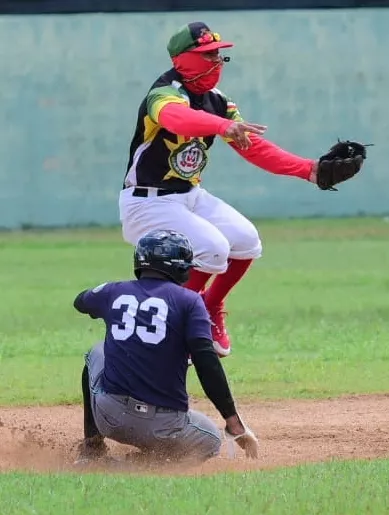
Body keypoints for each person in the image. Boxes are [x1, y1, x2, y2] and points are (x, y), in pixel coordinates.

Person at [118, 21, 362, 358]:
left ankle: (209, 306)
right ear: (182, 59)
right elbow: (177, 119)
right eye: (206, 54)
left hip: (188, 195)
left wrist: (310, 170)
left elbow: (255, 148)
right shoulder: (164, 92)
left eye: (218, 54)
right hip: (146, 202)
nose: (216, 60)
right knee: (214, 248)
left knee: (246, 241)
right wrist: (223, 126)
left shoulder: (218, 101)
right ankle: (175, 326)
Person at [73, 229, 258, 464]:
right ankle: (134, 465)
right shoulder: (189, 301)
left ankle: (92, 451)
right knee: (211, 440)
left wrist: (105, 300)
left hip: (109, 418)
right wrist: (234, 422)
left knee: (97, 352)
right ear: (181, 267)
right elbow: (206, 362)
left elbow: (80, 301)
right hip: (164, 429)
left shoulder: (114, 291)